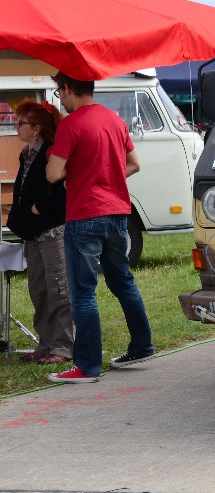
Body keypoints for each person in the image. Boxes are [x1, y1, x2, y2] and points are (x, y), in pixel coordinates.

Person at [45, 72, 155, 383]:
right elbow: (134, 163)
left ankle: (88, 366)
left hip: (85, 214)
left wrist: (81, 177)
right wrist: (106, 178)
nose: (59, 99)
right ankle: (142, 345)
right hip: (118, 212)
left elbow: (53, 174)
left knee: (83, 292)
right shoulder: (114, 120)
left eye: (59, 92)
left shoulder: (71, 123)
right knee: (123, 282)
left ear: (68, 89)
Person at [5, 100, 73, 365]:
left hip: (52, 231)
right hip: (32, 233)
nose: (16, 127)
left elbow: (60, 188)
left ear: (36, 128)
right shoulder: (27, 152)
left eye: (20, 122)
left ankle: (63, 345)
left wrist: (39, 208)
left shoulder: (51, 151)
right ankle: (45, 343)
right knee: (39, 290)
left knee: (58, 290)